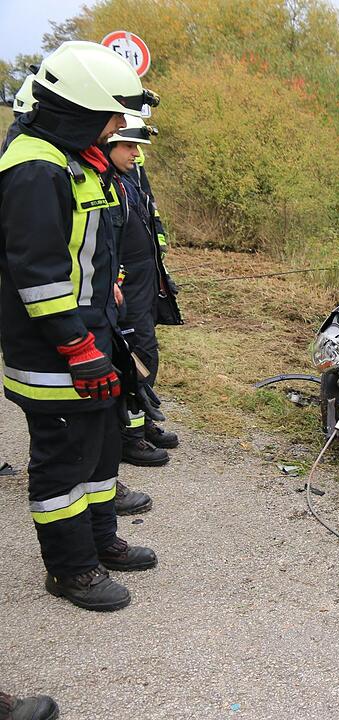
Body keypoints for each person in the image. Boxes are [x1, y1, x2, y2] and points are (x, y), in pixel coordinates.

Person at [0, 41, 160, 611]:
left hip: (90, 337)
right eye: (112, 115)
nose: (120, 127)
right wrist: (75, 345)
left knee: (97, 453)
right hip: (55, 351)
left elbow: (83, 252)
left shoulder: (72, 160)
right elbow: (37, 272)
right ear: (79, 110)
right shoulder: (35, 167)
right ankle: (70, 571)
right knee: (62, 463)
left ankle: (98, 543)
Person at [106, 116, 180, 468]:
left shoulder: (130, 178)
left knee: (146, 355)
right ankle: (129, 436)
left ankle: (141, 420)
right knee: (137, 356)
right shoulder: (105, 184)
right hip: (125, 289)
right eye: (129, 146)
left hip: (145, 283)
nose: (136, 154)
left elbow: (149, 218)